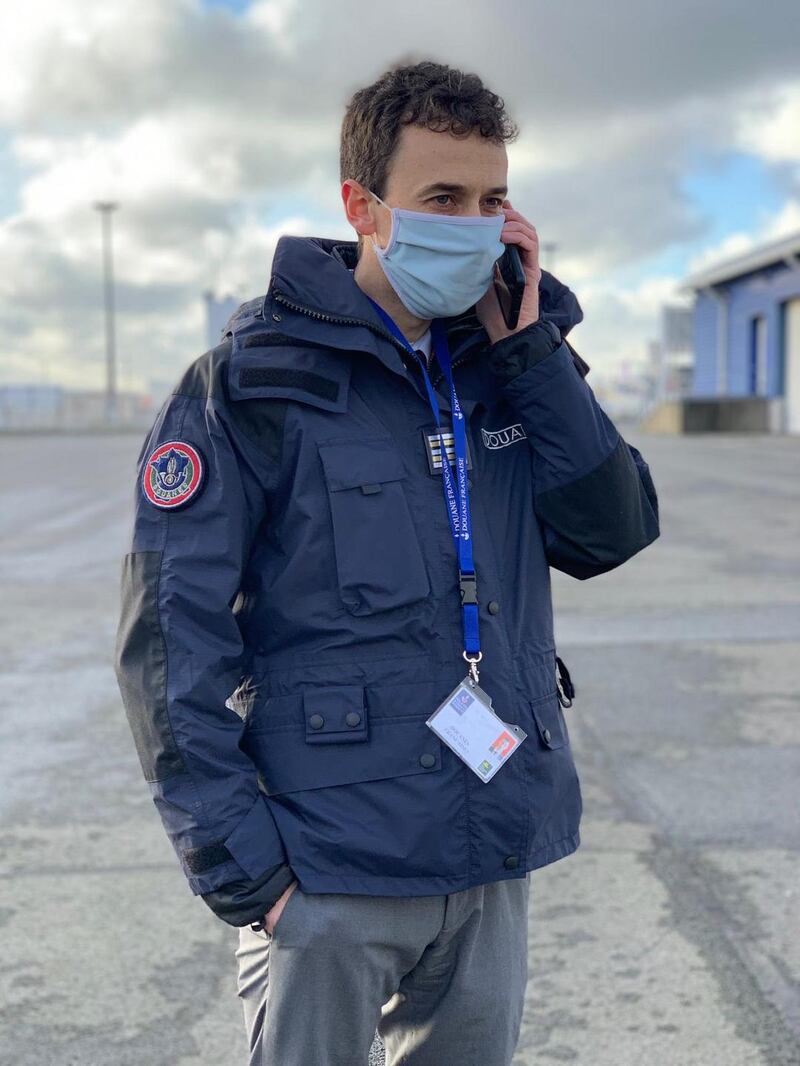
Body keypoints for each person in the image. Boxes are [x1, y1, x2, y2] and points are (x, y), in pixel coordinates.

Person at [114, 58, 660, 1066]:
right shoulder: (247, 388)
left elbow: (610, 533)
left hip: (489, 853)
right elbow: (167, 645)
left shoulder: (510, 368)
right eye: (442, 199)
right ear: (362, 207)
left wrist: (533, 354)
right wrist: (250, 873)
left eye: (493, 201)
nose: (474, 225)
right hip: (327, 870)